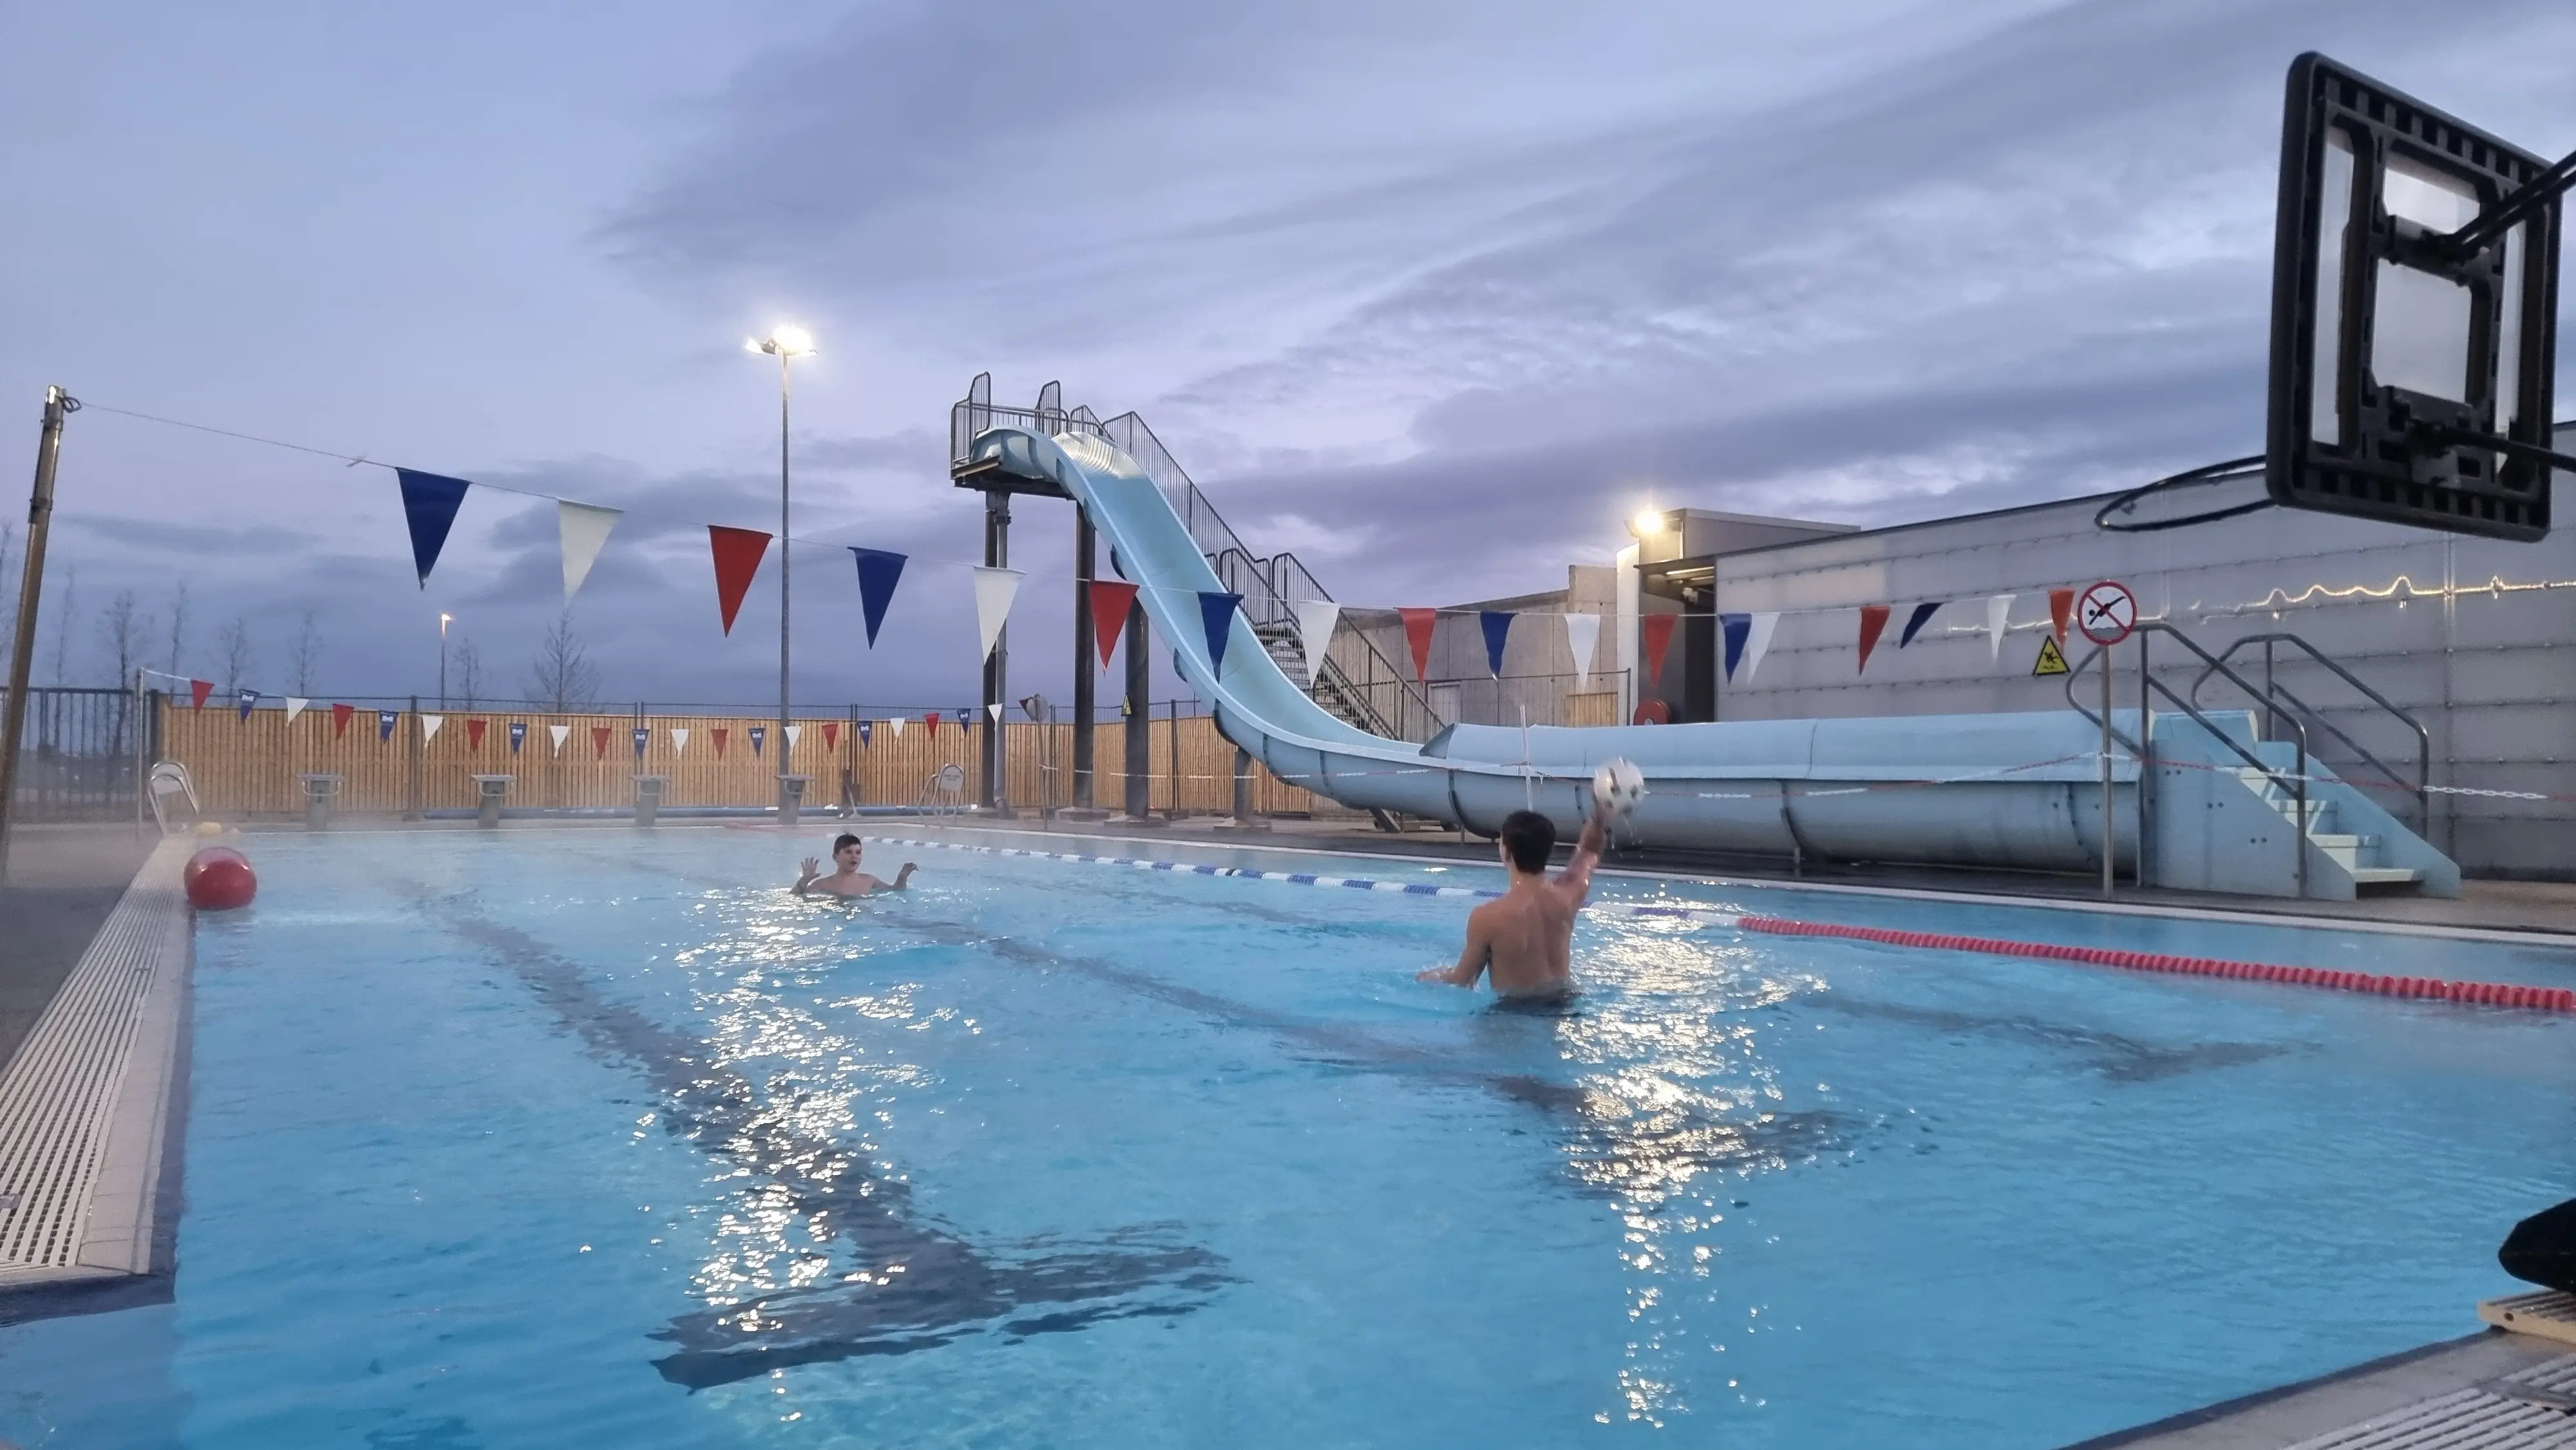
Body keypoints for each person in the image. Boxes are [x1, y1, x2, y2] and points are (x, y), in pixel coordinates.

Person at [1417, 803, 1607, 1001]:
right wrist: (1599, 817)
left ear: (1507, 852)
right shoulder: (1568, 895)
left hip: (1515, 1012)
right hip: (1566, 1002)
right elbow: (1589, 851)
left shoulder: (1487, 917)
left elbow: (1464, 980)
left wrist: (1432, 976)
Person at [795, 834, 916, 898]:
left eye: (858, 852)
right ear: (835, 857)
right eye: (848, 852)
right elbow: (795, 899)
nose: (855, 856)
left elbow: (896, 891)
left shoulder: (869, 881)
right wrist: (804, 881)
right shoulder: (823, 885)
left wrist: (902, 877)